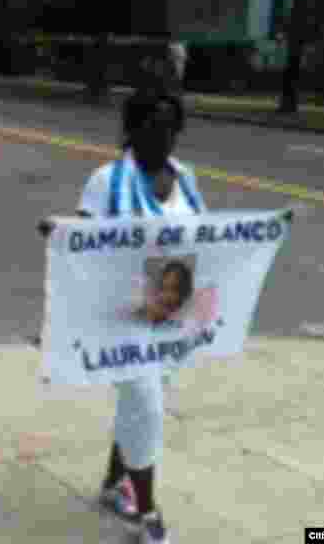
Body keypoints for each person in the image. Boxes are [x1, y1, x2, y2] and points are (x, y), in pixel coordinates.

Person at [37, 83, 206, 544]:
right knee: (147, 406)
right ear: (132, 130)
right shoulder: (106, 181)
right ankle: (147, 516)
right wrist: (59, 234)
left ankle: (115, 484)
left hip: (171, 315)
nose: (165, 135)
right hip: (123, 318)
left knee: (139, 406)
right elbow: (83, 246)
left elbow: (208, 238)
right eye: (154, 126)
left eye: (173, 126)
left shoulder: (186, 178)